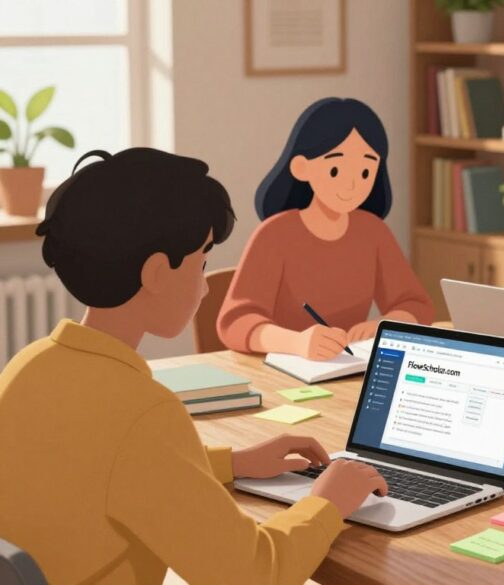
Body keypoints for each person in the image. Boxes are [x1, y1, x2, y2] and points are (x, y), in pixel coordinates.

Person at [0, 148, 388, 585]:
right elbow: (255, 573)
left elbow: (105, 466)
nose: (206, 286)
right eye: (201, 262)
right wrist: (328, 503)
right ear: (157, 272)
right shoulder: (143, 413)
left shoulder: (27, 367)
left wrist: (233, 462)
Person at [218, 98, 433, 360]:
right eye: (335, 169)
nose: (352, 184)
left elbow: (416, 306)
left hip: (346, 369)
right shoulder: (274, 235)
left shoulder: (373, 232)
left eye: (365, 171)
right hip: (282, 371)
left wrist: (384, 326)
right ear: (301, 168)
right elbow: (234, 322)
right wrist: (297, 343)